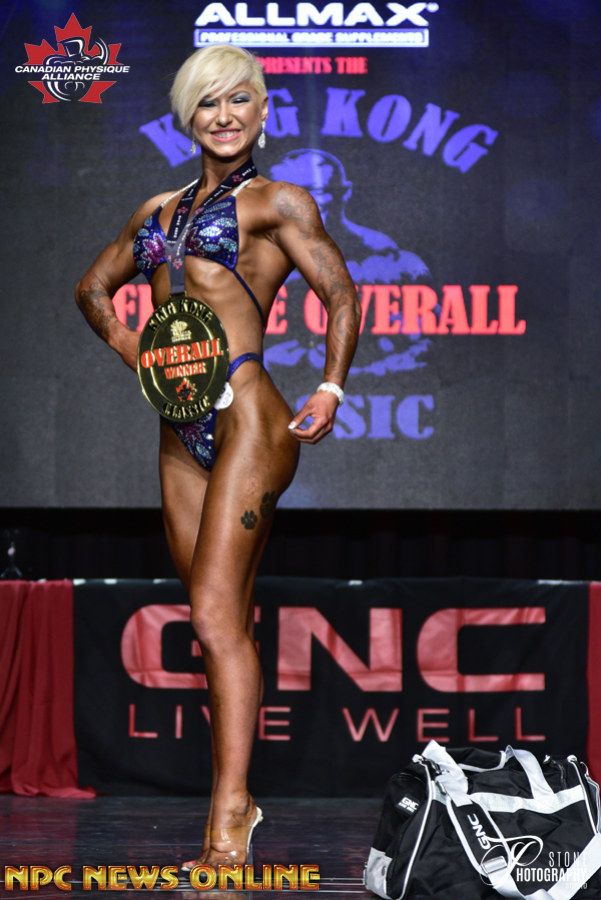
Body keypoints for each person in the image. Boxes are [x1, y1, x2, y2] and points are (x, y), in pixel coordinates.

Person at [74, 45, 361, 868]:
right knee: (220, 624)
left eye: (240, 100)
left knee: (209, 616)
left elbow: (340, 292)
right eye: (208, 103)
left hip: (249, 419)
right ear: (188, 117)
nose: (224, 116)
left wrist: (331, 387)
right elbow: (91, 289)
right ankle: (232, 807)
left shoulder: (278, 202)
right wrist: (133, 348)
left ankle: (231, 811)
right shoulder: (157, 212)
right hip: (180, 428)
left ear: (263, 112)